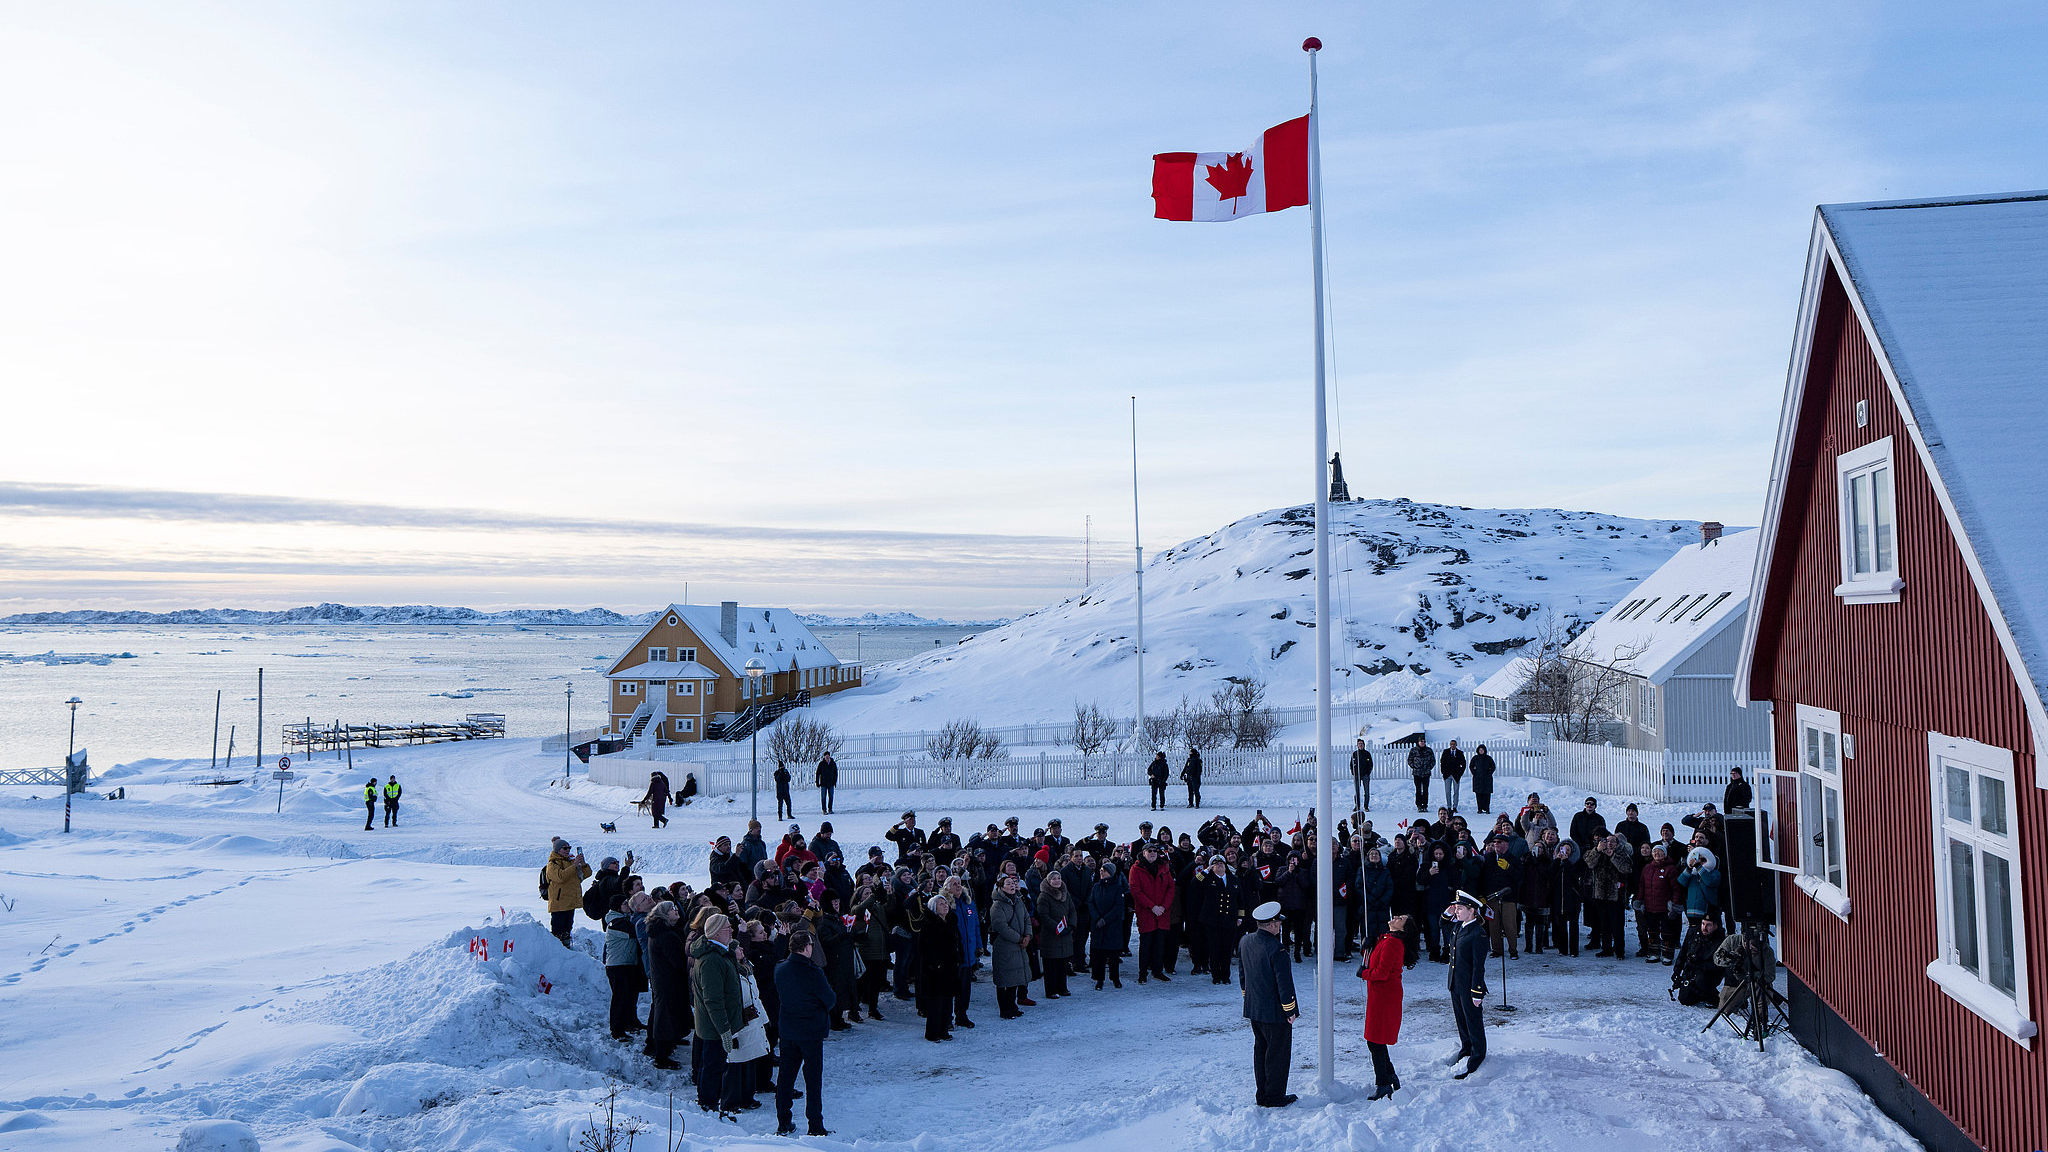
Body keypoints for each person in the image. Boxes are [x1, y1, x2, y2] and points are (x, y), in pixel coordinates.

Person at [689, 912, 752, 1114]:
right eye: (727, 927)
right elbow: (713, 1000)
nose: (731, 930)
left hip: (718, 1024)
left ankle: (712, 1103)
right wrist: (724, 1029)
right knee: (712, 1066)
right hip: (714, 1026)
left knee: (715, 1064)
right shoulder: (711, 961)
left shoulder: (721, 954)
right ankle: (707, 1105)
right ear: (716, 933)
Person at [773, 931, 834, 1137]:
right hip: (811, 1033)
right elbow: (830, 999)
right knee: (813, 1080)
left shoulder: (780, 968)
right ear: (806, 947)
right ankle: (815, 1125)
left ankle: (783, 1122)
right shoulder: (812, 972)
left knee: (785, 1078)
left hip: (788, 1031)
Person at [1239, 900, 1299, 1107]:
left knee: (1261, 1051)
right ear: (1272, 925)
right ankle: (1274, 1096)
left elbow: (1242, 975)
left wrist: (1248, 997)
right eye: (1278, 924)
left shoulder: (1245, 941)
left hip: (1254, 1008)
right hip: (1275, 1012)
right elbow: (1284, 983)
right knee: (1277, 1055)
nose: (1279, 927)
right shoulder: (1277, 949)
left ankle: (1262, 1093)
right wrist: (1290, 1008)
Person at [1360, 913, 1416, 1100]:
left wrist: (1364, 973)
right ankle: (1388, 1076)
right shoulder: (1387, 939)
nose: (1396, 917)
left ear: (1403, 928)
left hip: (1384, 996)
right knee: (1376, 1040)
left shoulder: (1393, 943)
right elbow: (1376, 959)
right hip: (1380, 995)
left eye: (1401, 919)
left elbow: (1382, 972)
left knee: (1375, 1040)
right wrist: (1366, 947)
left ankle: (1383, 1083)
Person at [1446, 891, 1489, 1080]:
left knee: (1473, 1023)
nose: (1457, 911)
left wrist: (1476, 991)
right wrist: (1447, 914)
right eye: (1456, 907)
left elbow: (1479, 966)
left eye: (1460, 908)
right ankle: (1466, 1049)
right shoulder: (1459, 927)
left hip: (1469, 986)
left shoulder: (1477, 933)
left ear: (1472, 911)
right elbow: (1443, 924)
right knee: (1461, 1021)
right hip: (1455, 983)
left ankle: (1477, 1055)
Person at [642, 901, 688, 1069]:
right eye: (672, 909)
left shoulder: (660, 931)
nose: (676, 911)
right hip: (668, 980)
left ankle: (655, 1044)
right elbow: (677, 960)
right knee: (664, 1015)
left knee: (660, 1011)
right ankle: (661, 1055)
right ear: (664, 914)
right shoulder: (665, 934)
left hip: (662, 979)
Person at [917, 895, 963, 1041]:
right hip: (935, 970)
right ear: (933, 908)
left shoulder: (951, 922)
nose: (945, 906)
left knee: (947, 1000)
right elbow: (925, 948)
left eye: (945, 903)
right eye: (941, 904)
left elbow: (957, 942)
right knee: (936, 1002)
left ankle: (944, 1030)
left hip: (950, 967)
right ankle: (932, 1032)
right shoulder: (929, 924)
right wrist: (935, 965)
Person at [987, 873, 1034, 1018]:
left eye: (1013, 883)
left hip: (1019, 946)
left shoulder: (1019, 901)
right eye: (1008, 883)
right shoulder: (997, 905)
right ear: (1000, 887)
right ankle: (1004, 1009)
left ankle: (1012, 1006)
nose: (1012, 885)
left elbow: (1027, 918)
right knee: (1004, 980)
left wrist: (1027, 935)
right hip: (1006, 946)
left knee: (1015, 978)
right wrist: (1019, 938)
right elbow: (1000, 926)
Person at [1130, 842, 1177, 983]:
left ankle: (1158, 971)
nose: (1152, 853)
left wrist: (1163, 906)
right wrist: (1152, 907)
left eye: (1155, 851)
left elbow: (1171, 888)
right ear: (1143, 852)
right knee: (1146, 944)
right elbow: (1135, 890)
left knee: (1159, 944)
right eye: (1149, 850)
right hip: (1146, 912)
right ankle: (1143, 973)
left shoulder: (1164, 867)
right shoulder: (1136, 868)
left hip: (1162, 913)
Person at [603, 895, 645, 1040]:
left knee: (630, 996)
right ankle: (617, 1030)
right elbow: (635, 931)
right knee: (620, 998)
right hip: (617, 966)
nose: (628, 906)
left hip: (627, 963)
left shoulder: (624, 919)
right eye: (625, 904)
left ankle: (631, 1022)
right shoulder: (615, 923)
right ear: (617, 907)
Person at [539, 837, 591, 947]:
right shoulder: (552, 864)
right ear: (557, 850)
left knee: (568, 928)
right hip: (559, 903)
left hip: (570, 901)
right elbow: (560, 877)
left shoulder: (570, 862)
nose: (568, 850)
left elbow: (586, 874)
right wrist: (574, 866)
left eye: (569, 848)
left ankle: (567, 949)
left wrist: (583, 864)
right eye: (564, 848)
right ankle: (556, 950)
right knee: (558, 930)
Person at [1088, 861, 1128, 989]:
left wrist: (1105, 919)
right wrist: (1097, 918)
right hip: (1098, 926)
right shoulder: (1096, 887)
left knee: (1113, 956)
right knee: (1098, 955)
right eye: (1100, 870)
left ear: (1110, 873)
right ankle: (1099, 979)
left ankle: (1115, 978)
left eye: (1104, 871)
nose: (1101, 872)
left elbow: (1118, 907)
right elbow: (1091, 903)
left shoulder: (1118, 888)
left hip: (1112, 926)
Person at [1439, 739, 1467, 812]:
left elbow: (1463, 764)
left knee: (1456, 791)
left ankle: (1455, 807)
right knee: (1447, 791)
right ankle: (1449, 806)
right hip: (1447, 775)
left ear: (1456, 745)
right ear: (1450, 745)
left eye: (1454, 744)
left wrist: (1460, 773)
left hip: (1456, 775)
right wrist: (1443, 772)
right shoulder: (1445, 752)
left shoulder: (1460, 753)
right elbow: (1442, 762)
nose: (1452, 745)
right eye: (1451, 744)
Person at [1406, 740, 1434, 812]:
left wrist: (1428, 768)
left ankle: (1425, 805)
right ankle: (1418, 804)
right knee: (1418, 789)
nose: (1423, 743)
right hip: (1417, 774)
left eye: (1424, 741)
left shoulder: (1429, 750)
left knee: (1425, 790)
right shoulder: (1413, 750)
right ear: (1418, 742)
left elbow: (1433, 761)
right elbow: (1410, 760)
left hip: (1426, 774)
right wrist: (1415, 767)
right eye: (1421, 741)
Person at [1468, 745, 1495, 814]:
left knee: (1487, 794)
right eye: (1480, 750)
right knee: (1479, 794)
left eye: (1482, 750)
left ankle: (1487, 808)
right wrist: (1475, 773)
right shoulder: (1475, 758)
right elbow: (1471, 766)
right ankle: (1479, 808)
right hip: (1478, 779)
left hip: (1487, 779)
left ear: (1484, 750)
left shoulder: (1488, 758)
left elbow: (1493, 767)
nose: (1481, 751)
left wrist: (1489, 774)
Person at [1350, 738, 1373, 813]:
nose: (1361, 745)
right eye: (1359, 744)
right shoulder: (1354, 754)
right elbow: (1351, 764)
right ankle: (1357, 806)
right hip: (1357, 775)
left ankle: (1366, 806)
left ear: (1364, 745)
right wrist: (1353, 773)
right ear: (1357, 745)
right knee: (1357, 791)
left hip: (1365, 775)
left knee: (1366, 791)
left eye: (1362, 744)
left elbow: (1371, 764)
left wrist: (1368, 773)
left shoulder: (1367, 754)